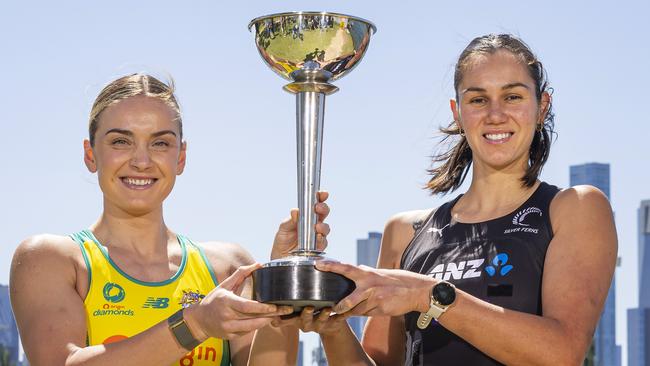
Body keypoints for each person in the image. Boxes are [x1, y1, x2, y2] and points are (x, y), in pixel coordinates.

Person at [302, 34, 618, 365]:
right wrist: (334, 328)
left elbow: (561, 353)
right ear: (457, 113)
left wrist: (428, 296)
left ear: (542, 107)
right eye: (478, 100)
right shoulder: (405, 232)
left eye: (513, 96)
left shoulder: (574, 208)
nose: (496, 114)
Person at [9, 74, 330, 366]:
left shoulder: (228, 268)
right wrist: (195, 324)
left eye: (160, 143)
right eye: (121, 141)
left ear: (181, 157)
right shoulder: (51, 260)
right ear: (90, 155)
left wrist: (283, 278)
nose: (141, 161)